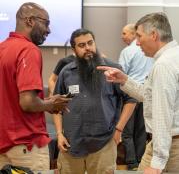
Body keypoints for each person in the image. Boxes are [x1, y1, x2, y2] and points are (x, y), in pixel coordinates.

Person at [97, 12, 179, 173]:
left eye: (139, 36)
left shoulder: (164, 65)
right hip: (168, 143)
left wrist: (157, 163)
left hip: (170, 146)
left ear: (154, 35)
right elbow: (149, 95)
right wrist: (124, 80)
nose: (137, 42)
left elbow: (162, 114)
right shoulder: (174, 55)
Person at [53, 28, 137, 174]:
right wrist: (59, 134)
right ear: (74, 49)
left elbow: (131, 99)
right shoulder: (66, 72)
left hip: (104, 144)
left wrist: (119, 130)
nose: (88, 48)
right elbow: (56, 106)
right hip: (71, 143)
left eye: (90, 43)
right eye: (82, 45)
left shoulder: (113, 70)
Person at [0, 2, 70, 170]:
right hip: (26, 146)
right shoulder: (28, 50)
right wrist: (51, 104)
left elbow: (10, 98)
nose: (49, 30)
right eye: (46, 23)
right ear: (30, 21)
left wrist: (45, 102)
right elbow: (27, 102)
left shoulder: (2, 48)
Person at [118, 24, 153, 170]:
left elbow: (121, 72)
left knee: (127, 132)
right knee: (141, 132)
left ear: (133, 34)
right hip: (145, 94)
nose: (122, 36)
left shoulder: (127, 51)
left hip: (130, 94)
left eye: (124, 33)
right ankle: (140, 161)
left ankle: (131, 163)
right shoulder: (149, 53)